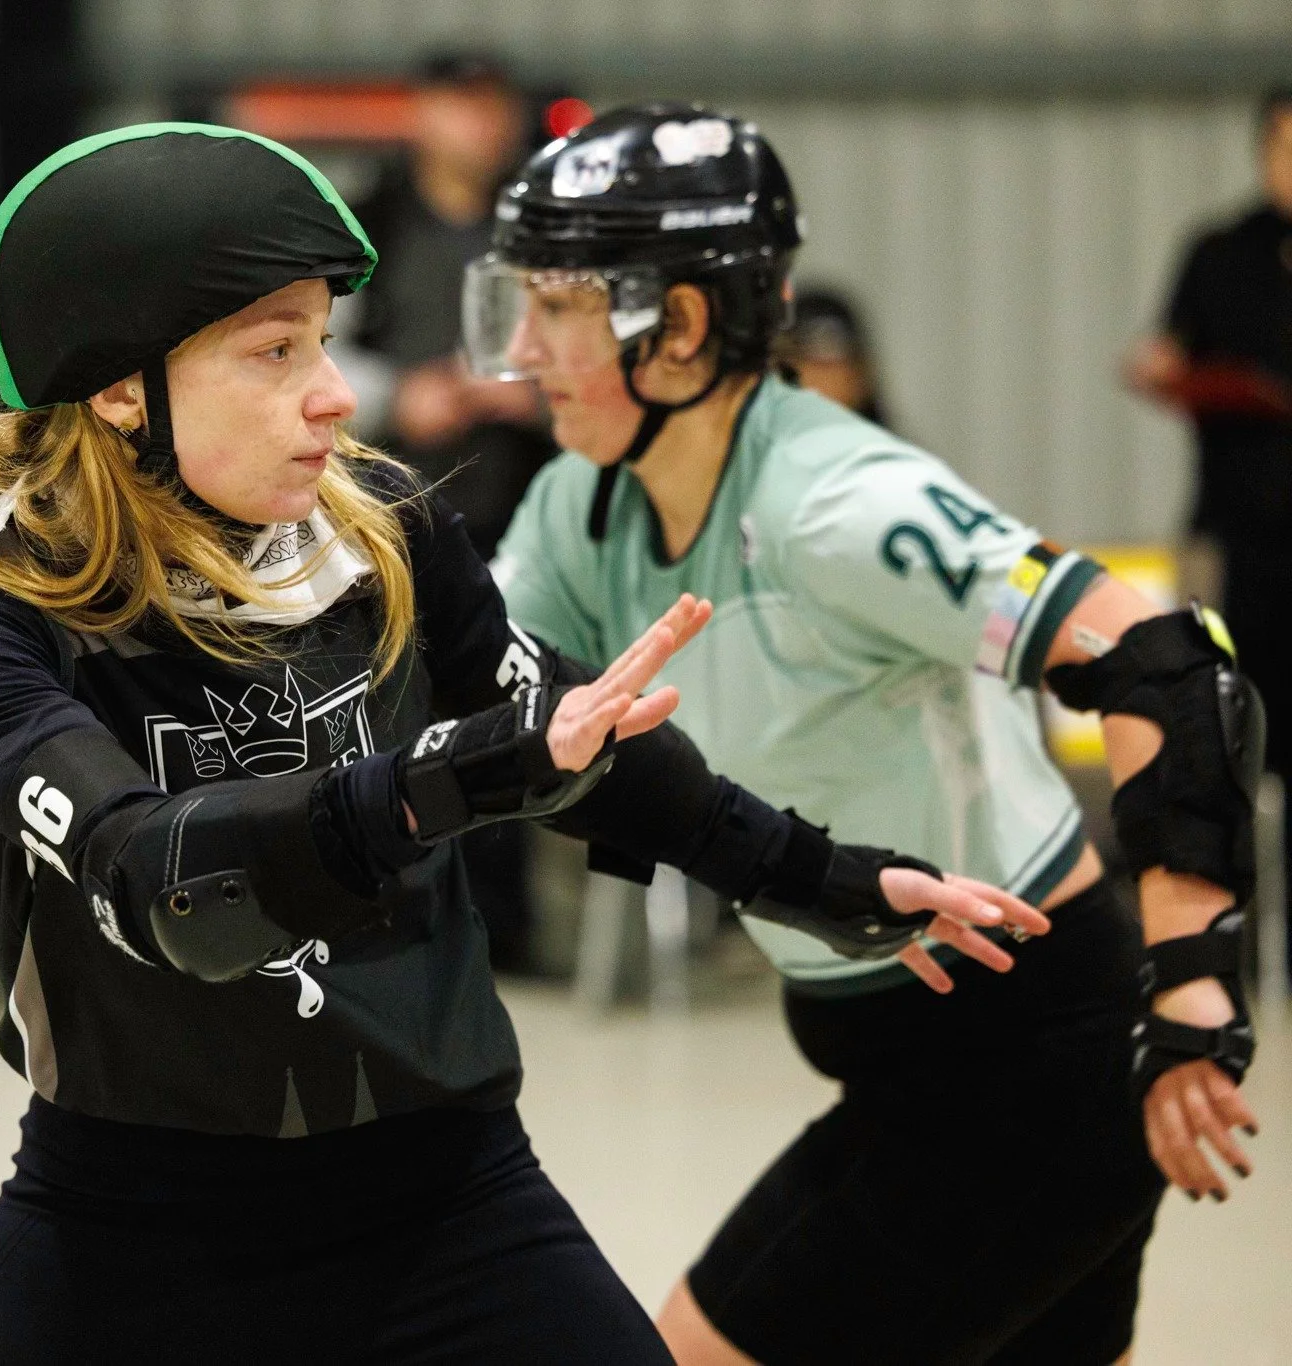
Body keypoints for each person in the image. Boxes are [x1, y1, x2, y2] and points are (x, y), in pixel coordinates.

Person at [0, 123, 1044, 1362]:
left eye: (320, 340)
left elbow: (581, 749)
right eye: (273, 352)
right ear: (117, 388)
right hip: (125, 1232)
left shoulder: (386, 534)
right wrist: (435, 783)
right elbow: (163, 887)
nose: (333, 392)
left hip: (444, 1202)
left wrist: (817, 877)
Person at [482, 103, 1267, 1365]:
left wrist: (1192, 987)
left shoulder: (836, 503)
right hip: (916, 1070)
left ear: (676, 326)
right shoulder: (583, 502)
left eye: (556, 307)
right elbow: (461, 693)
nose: (518, 351)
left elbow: (1168, 667)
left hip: (1026, 1073)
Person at [335, 52, 556, 968]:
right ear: (421, 114)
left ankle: (502, 924)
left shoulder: (541, 224)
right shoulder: (369, 218)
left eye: (492, 106)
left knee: (511, 701)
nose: (480, 126)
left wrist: (537, 398)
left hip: (518, 503)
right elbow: (308, 347)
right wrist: (404, 399)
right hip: (389, 510)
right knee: (385, 711)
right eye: (460, 106)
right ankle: (388, 910)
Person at [1126, 84, 1292, 986]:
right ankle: (1220, 946)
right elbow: (1168, 353)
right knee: (1224, 736)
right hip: (1240, 537)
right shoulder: (1221, 253)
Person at [772, 285, 890, 427]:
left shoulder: (886, 447)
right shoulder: (759, 443)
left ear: (860, 373)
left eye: (827, 364)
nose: (817, 379)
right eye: (803, 360)